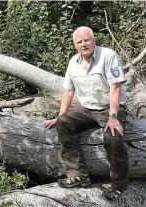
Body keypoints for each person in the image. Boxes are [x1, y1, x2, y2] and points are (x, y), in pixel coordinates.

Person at [44, 26, 129, 200]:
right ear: (75, 45)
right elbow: (68, 91)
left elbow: (115, 87)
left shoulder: (108, 55)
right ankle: (78, 176)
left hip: (113, 108)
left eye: (86, 40)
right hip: (88, 109)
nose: (84, 44)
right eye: (79, 42)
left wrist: (113, 118)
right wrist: (61, 115)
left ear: (94, 40)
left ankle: (119, 185)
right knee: (63, 123)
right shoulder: (73, 62)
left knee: (113, 138)